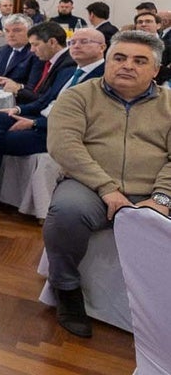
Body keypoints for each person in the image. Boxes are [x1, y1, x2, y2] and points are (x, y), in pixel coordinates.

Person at [42, 30, 171, 338]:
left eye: (140, 61)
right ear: (107, 60)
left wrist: (162, 197)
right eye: (120, 57)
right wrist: (106, 187)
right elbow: (64, 146)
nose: (127, 65)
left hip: (154, 188)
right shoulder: (78, 96)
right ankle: (66, 287)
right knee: (67, 213)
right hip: (89, 185)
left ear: (155, 70)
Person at [0, 28, 107, 214]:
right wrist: (16, 109)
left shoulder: (103, 78)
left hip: (59, 132)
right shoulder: (70, 72)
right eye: (73, 42)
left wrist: (34, 123)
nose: (76, 46)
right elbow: (44, 101)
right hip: (43, 117)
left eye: (84, 42)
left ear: (102, 47)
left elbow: (87, 118)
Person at [0, 21, 75, 105]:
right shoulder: (53, 61)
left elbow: (46, 101)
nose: (32, 50)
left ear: (52, 42)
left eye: (35, 45)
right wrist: (18, 86)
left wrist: (18, 91)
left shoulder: (67, 66)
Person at [0, 14, 38, 83]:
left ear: (30, 32)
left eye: (17, 30)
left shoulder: (35, 54)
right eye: (7, 31)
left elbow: (33, 86)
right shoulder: (0, 51)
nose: (10, 35)